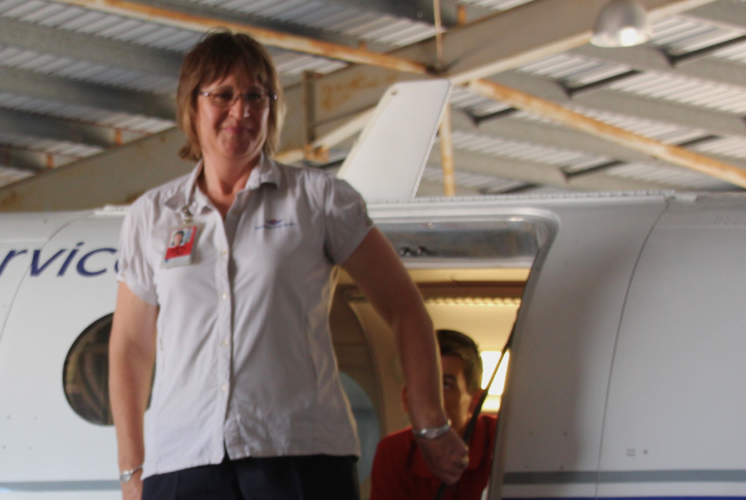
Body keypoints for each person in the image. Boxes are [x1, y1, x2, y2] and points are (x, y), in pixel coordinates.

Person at [109, 30, 468, 500]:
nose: (241, 111)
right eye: (223, 95)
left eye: (256, 96)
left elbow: (404, 307)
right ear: (191, 105)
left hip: (300, 454)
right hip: (183, 462)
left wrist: (430, 423)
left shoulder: (319, 200)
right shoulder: (151, 216)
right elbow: (131, 348)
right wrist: (131, 469)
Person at [370, 330, 498, 500]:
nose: (429, 396)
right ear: (405, 397)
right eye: (421, 382)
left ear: (476, 400)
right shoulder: (394, 452)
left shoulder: (502, 441)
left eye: (445, 385)